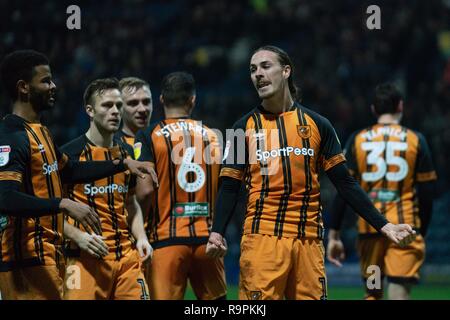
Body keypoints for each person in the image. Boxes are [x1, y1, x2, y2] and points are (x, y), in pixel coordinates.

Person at [205, 45, 416, 300]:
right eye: (252, 69)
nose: (257, 74)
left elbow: (345, 183)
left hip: (309, 242)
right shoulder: (241, 128)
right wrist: (217, 231)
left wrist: (384, 225)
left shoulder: (319, 125)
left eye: (265, 66)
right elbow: (229, 186)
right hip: (262, 241)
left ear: (286, 71)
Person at [0, 50, 153, 300]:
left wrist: (122, 164)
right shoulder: (11, 137)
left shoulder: (42, 133)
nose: (53, 86)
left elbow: (70, 170)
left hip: (48, 256)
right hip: (23, 261)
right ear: (23, 88)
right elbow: (5, 199)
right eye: (45, 81)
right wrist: (63, 204)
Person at [326, 83, 437, 300]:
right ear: (401, 106)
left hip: (370, 234)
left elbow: (344, 189)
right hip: (405, 231)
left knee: (373, 292)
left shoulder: (357, 140)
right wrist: (420, 231)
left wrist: (334, 234)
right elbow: (427, 194)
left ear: (373, 110)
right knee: (398, 289)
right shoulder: (416, 140)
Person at [135, 71, 227, 300]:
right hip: (208, 242)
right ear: (193, 100)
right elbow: (228, 189)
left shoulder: (149, 135)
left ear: (162, 99)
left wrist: (140, 230)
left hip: (166, 240)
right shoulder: (214, 136)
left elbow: (145, 191)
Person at [61, 78, 153, 300]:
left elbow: (131, 203)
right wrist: (78, 236)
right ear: (90, 111)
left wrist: (141, 237)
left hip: (127, 260)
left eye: (119, 106)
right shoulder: (69, 156)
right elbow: (49, 210)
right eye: (107, 106)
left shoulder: (126, 154)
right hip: (83, 260)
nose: (115, 112)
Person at [115, 77, 153, 148]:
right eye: (133, 103)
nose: (142, 109)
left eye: (146, 102)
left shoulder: (165, 140)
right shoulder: (112, 147)